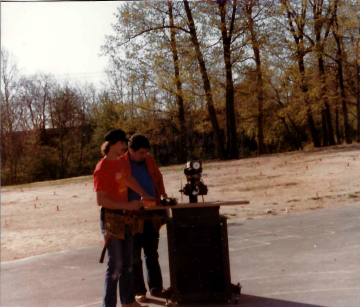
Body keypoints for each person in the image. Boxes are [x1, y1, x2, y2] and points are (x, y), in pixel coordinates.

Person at [93, 129, 149, 307]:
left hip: (125, 219)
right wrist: (129, 206)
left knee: (129, 264)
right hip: (111, 219)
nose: (125, 146)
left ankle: (128, 301)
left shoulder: (120, 163)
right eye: (122, 143)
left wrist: (144, 194)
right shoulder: (101, 168)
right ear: (113, 144)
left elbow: (128, 179)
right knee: (116, 266)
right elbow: (101, 200)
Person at [118, 134, 167, 303]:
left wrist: (162, 199)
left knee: (152, 253)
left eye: (146, 153)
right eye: (140, 153)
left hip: (151, 214)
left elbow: (158, 179)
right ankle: (139, 291)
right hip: (131, 217)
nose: (144, 156)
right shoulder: (121, 163)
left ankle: (157, 288)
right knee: (134, 256)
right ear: (130, 150)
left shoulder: (149, 160)